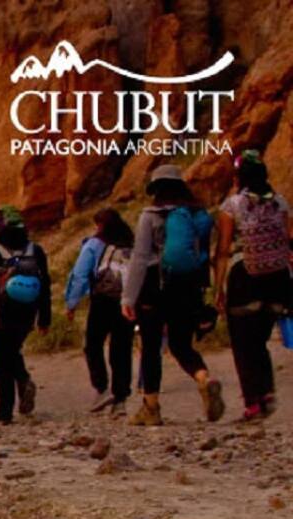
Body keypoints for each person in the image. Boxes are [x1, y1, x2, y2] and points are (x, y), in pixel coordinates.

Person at [122, 164, 225, 426]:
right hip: (187, 288)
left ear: (156, 189)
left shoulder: (150, 215)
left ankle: (151, 407)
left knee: (151, 348)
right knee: (181, 345)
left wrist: (128, 297)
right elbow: (203, 256)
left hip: (154, 288)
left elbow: (140, 257)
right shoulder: (196, 215)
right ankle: (203, 378)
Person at [214, 150, 292, 421]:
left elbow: (223, 250)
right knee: (260, 339)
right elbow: (288, 240)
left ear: (239, 178)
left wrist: (218, 288)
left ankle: (253, 403)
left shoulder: (231, 206)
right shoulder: (280, 203)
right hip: (278, 278)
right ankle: (267, 391)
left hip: (244, 278)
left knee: (242, 342)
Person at [0, 205, 51, 424]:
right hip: (26, 314)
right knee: (13, 351)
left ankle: (5, 410)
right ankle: (23, 381)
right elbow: (46, 285)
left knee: (0, 359)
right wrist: (44, 317)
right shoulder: (35, 250)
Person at [64, 207, 136, 416]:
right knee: (121, 349)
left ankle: (102, 388)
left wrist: (72, 303)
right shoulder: (130, 243)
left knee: (93, 344)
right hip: (127, 300)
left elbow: (80, 274)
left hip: (102, 300)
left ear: (100, 225)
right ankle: (120, 399)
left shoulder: (95, 244)